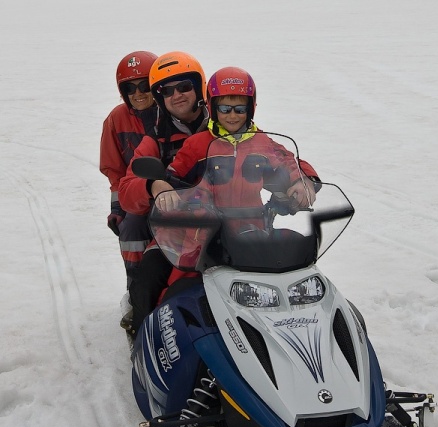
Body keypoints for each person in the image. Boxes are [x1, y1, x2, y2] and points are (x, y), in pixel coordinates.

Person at [124, 66, 321, 338]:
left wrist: (303, 181)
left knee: (288, 281)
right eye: (225, 108)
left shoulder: (262, 143)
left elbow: (289, 161)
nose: (232, 116)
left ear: (251, 108)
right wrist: (165, 189)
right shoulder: (197, 145)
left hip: (251, 233)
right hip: (201, 233)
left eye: (239, 109)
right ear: (213, 106)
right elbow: (173, 175)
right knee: (176, 291)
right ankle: (153, 335)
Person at [118, 50, 209, 333]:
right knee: (148, 279)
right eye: (167, 91)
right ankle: (144, 335)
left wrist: (296, 181)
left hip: (232, 227)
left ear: (199, 87)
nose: (177, 95)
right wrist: (153, 185)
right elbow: (126, 189)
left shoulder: (227, 125)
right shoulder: (156, 139)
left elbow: (270, 152)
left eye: (184, 87)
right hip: (176, 232)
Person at [100, 51, 158, 290]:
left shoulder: (172, 112)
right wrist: (117, 209)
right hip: (135, 195)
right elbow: (114, 170)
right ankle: (137, 292)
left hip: (176, 193)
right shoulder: (116, 119)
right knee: (132, 228)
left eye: (145, 85)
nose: (138, 93)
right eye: (130, 88)